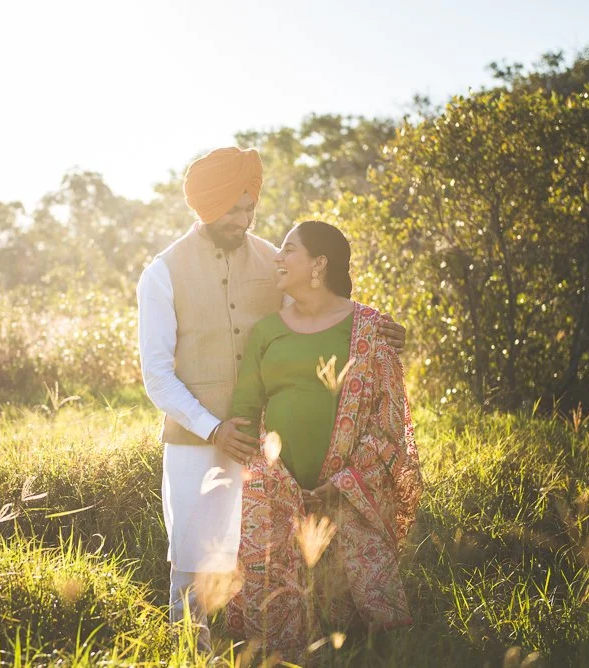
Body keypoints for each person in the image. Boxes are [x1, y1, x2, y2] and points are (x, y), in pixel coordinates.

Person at [135, 147, 407, 651]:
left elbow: (316, 316)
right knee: (193, 561)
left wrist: (372, 329)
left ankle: (278, 652)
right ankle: (187, 655)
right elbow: (156, 374)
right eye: (233, 209)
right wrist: (211, 426)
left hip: (268, 453)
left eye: (249, 208)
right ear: (204, 206)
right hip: (196, 445)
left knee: (269, 563)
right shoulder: (162, 272)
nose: (244, 219)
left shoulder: (272, 260)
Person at [224, 220, 422, 659]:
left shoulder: (370, 330)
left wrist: (343, 485)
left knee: (355, 637)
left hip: (347, 489)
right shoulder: (267, 331)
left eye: (288, 250)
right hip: (276, 491)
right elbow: (244, 411)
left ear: (319, 264)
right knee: (278, 619)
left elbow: (388, 425)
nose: (278, 258)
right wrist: (267, 476)